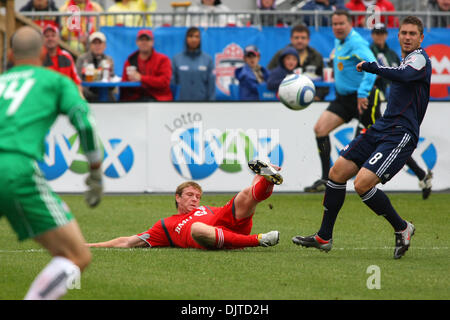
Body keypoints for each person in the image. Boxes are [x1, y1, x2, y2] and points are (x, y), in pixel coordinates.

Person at [293, 16, 432, 260]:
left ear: (421, 38)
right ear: (398, 36)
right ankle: (324, 237)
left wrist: (372, 67)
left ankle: (402, 228)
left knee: (362, 184)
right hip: (382, 127)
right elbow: (400, 75)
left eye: (413, 34)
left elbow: (406, 76)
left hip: (401, 133)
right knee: (337, 172)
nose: (408, 37)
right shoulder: (403, 60)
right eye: (404, 33)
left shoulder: (420, 58)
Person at [0, 26, 103, 299]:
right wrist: (95, 172)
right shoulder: (54, 81)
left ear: (10, 54)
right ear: (44, 52)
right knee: (77, 255)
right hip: (14, 168)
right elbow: (84, 122)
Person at [87, 160, 282, 250]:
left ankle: (267, 179)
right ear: (177, 198)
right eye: (189, 195)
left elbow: (236, 208)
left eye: (198, 196)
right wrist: (91, 245)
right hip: (209, 235)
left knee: (244, 195)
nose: (195, 199)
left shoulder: (205, 209)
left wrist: (258, 181)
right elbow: (128, 241)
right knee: (197, 228)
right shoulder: (165, 225)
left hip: (227, 224)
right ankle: (259, 240)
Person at [303, 10, 379, 192]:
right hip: (343, 100)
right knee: (320, 129)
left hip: (362, 99)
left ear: (349, 24)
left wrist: (363, 92)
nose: (337, 27)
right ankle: (324, 179)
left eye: (341, 24)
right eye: (334, 24)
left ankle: (420, 174)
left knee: (383, 137)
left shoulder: (356, 43)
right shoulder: (339, 41)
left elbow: (373, 65)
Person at [361, 23, 433, 199]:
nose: (379, 36)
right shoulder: (368, 50)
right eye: (376, 33)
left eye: (382, 33)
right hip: (371, 101)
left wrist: (372, 68)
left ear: (386, 35)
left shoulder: (403, 56)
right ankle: (421, 173)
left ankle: (420, 173)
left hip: (381, 104)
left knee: (385, 142)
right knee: (382, 141)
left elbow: (402, 74)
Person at [267, 24, 328, 100]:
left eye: (303, 38)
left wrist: (317, 96)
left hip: (311, 99)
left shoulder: (317, 56)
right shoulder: (280, 55)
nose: (300, 40)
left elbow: (325, 81)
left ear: (308, 40)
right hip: (285, 99)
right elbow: (269, 77)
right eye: (296, 38)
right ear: (291, 39)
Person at [121, 29, 173, 102]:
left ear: (152, 42)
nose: (144, 42)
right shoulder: (130, 61)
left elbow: (164, 82)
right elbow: (124, 83)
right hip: (136, 100)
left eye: (147, 40)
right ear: (137, 42)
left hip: (158, 99)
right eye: (141, 40)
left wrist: (141, 78)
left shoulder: (163, 59)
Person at [171, 27, 215, 101]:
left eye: (196, 36)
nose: (193, 39)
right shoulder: (176, 59)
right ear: (186, 39)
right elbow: (173, 84)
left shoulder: (207, 60)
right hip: (181, 103)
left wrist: (211, 103)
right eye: (191, 36)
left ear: (200, 39)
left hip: (202, 103)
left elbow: (211, 85)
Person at [42, 24, 83, 97]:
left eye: (53, 35)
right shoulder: (39, 58)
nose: (50, 38)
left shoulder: (67, 56)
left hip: (66, 97)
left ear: (58, 38)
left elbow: (77, 83)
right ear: (42, 39)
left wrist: (80, 98)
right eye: (47, 36)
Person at [75, 31, 116, 102]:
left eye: (99, 43)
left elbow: (112, 83)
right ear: (90, 45)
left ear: (105, 46)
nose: (97, 46)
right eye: (94, 43)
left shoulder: (109, 60)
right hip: (87, 94)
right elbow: (77, 79)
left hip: (105, 94)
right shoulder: (82, 59)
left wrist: (108, 71)